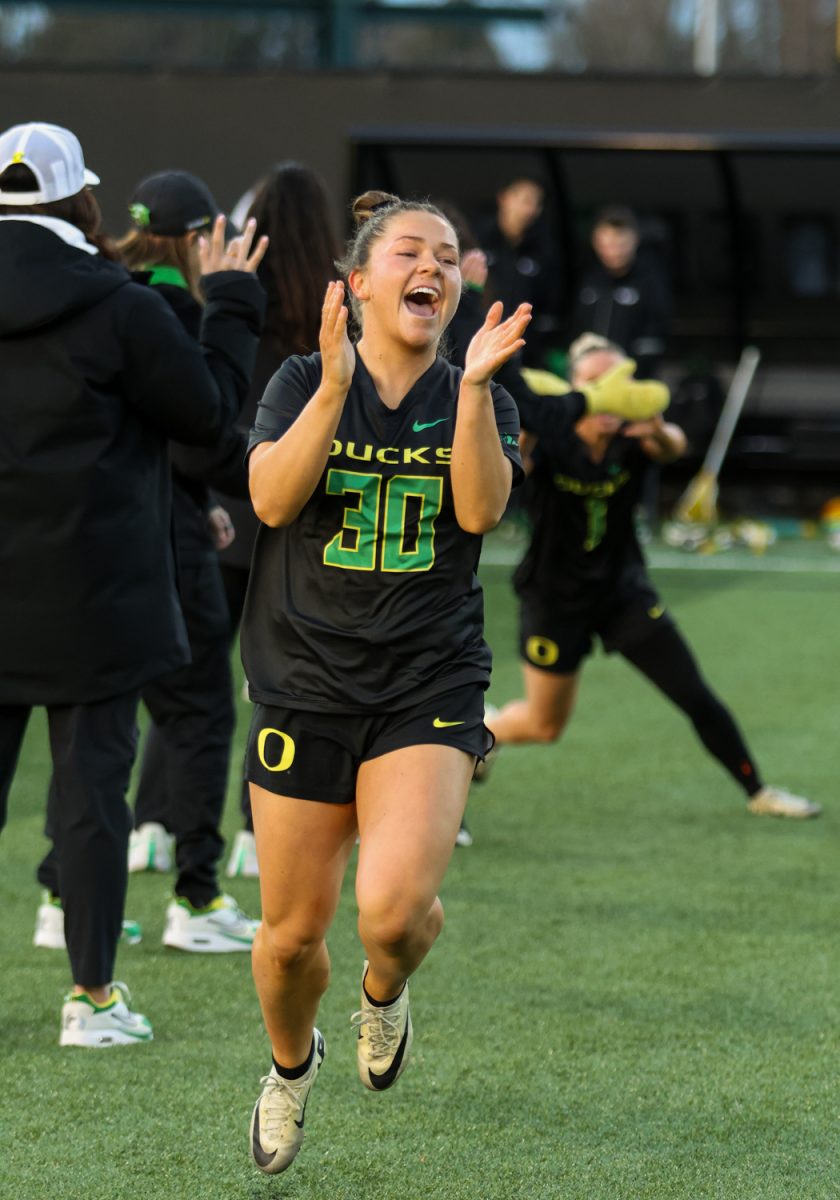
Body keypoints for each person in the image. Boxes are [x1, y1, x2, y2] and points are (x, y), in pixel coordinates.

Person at [242, 190, 529, 1174]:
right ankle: (290, 1067)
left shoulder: (477, 388)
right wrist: (329, 388)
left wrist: (482, 393)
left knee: (394, 914)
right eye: (411, 252)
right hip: (304, 681)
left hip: (427, 680)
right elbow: (273, 498)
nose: (435, 269)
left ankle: (385, 990)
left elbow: (482, 511)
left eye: (449, 257)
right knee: (287, 943)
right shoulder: (296, 378)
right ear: (359, 282)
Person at [0, 122, 266, 1046]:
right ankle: (93, 999)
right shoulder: (118, 306)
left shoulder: (117, 299)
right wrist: (232, 301)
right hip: (95, 597)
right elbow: (209, 418)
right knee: (90, 800)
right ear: (82, 201)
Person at [482, 334, 821, 821]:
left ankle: (758, 790)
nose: (607, 394)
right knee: (543, 725)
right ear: (574, 389)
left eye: (616, 382)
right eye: (594, 383)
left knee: (695, 695)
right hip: (554, 597)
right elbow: (520, 460)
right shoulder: (550, 435)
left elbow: (674, 447)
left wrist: (658, 431)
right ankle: (484, 733)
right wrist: (530, 429)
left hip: (622, 592)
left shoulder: (635, 440)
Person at [214, 161, 343, 879]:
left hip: (226, 503)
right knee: (278, 688)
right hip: (293, 514)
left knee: (199, 686)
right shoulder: (334, 303)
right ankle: (253, 832)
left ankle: (159, 829)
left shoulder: (236, 291)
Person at [570, 205, 671, 380]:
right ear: (596, 241)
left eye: (620, 244)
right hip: (589, 379)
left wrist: (632, 371)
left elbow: (655, 335)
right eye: (607, 244)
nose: (614, 251)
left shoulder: (650, 281)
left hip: (632, 379)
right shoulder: (587, 280)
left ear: (634, 240)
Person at [475, 175, 559, 364]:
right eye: (526, 200)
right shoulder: (478, 240)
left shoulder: (544, 249)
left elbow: (550, 302)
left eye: (537, 204)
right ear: (504, 198)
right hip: (479, 346)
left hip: (526, 353)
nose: (531, 209)